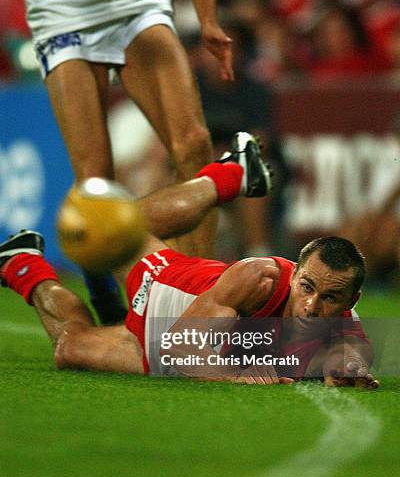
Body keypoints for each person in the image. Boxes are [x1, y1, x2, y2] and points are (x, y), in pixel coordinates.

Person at [0, 134, 379, 388]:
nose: (312, 307)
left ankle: (19, 261)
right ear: (294, 275)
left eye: (330, 298)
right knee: (112, 227)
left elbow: (353, 355)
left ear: (351, 302)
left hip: (169, 335)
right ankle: (231, 175)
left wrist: (348, 372)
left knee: (69, 348)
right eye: (307, 288)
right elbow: (179, 347)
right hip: (163, 292)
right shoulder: (261, 277)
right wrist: (234, 375)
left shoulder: (344, 327)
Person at [0, 0, 233, 321]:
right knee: (96, 180)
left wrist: (208, 18)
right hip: (64, 9)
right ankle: (103, 289)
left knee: (195, 143)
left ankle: (195, 296)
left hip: (138, 5)